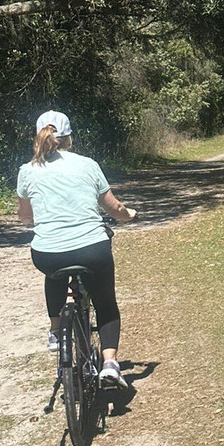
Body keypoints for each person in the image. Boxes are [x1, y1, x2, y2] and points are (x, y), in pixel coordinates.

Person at [17, 110, 136, 388]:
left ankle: (56, 331)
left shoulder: (27, 171)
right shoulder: (87, 165)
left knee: (54, 271)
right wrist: (129, 214)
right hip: (92, 249)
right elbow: (113, 208)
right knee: (105, 302)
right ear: (69, 138)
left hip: (46, 254)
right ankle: (109, 364)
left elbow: (25, 218)